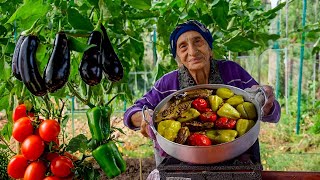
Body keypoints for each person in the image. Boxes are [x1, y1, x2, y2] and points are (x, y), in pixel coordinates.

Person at [123, 19, 281, 179]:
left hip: (238, 161)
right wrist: (143, 118)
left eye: (198, 42)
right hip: (182, 165)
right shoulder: (167, 83)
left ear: (210, 49)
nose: (192, 51)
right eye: (183, 46)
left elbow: (274, 115)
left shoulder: (232, 71)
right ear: (177, 58)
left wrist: (267, 102)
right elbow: (131, 113)